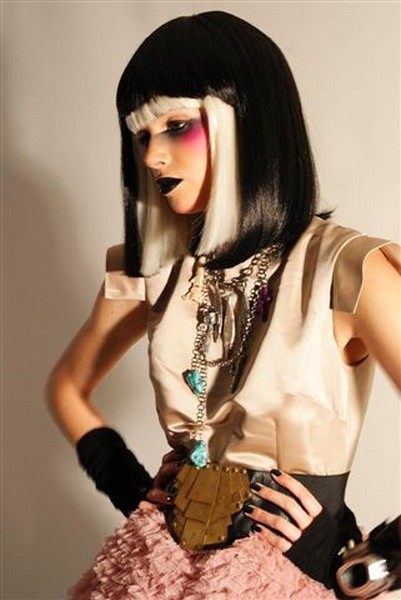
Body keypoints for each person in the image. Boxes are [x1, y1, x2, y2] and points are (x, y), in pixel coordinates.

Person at [46, 10, 401, 600]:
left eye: (176, 125)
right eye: (142, 135)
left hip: (282, 581)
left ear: (248, 122)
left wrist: (374, 564)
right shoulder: (150, 271)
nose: (153, 157)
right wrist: (125, 482)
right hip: (151, 569)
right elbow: (66, 387)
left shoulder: (348, 269)